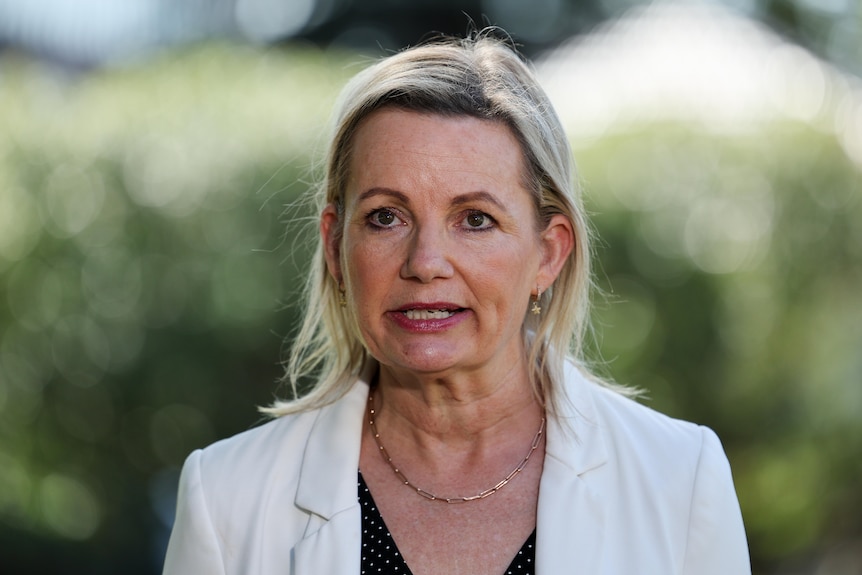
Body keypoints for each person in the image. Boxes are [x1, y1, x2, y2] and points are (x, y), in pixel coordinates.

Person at [162, 31, 750, 575]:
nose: (425, 262)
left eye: (475, 219)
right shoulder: (226, 499)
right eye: (386, 217)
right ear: (337, 248)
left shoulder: (679, 479)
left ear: (548, 254)